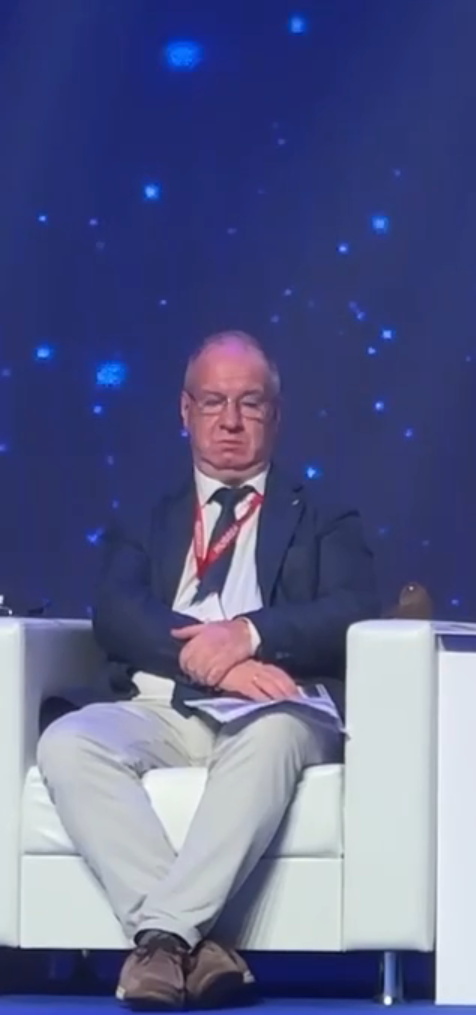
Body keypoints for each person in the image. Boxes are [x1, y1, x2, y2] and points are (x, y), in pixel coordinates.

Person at [35, 331, 379, 1011]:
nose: (230, 421)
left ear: (275, 415)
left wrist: (248, 634)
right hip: (161, 705)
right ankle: (192, 945)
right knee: (67, 742)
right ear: (184, 411)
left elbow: (353, 610)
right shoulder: (151, 514)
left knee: (274, 735)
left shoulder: (324, 515)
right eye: (214, 402)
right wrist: (215, 666)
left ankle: (161, 941)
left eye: (249, 403)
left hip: (273, 705)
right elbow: (116, 611)